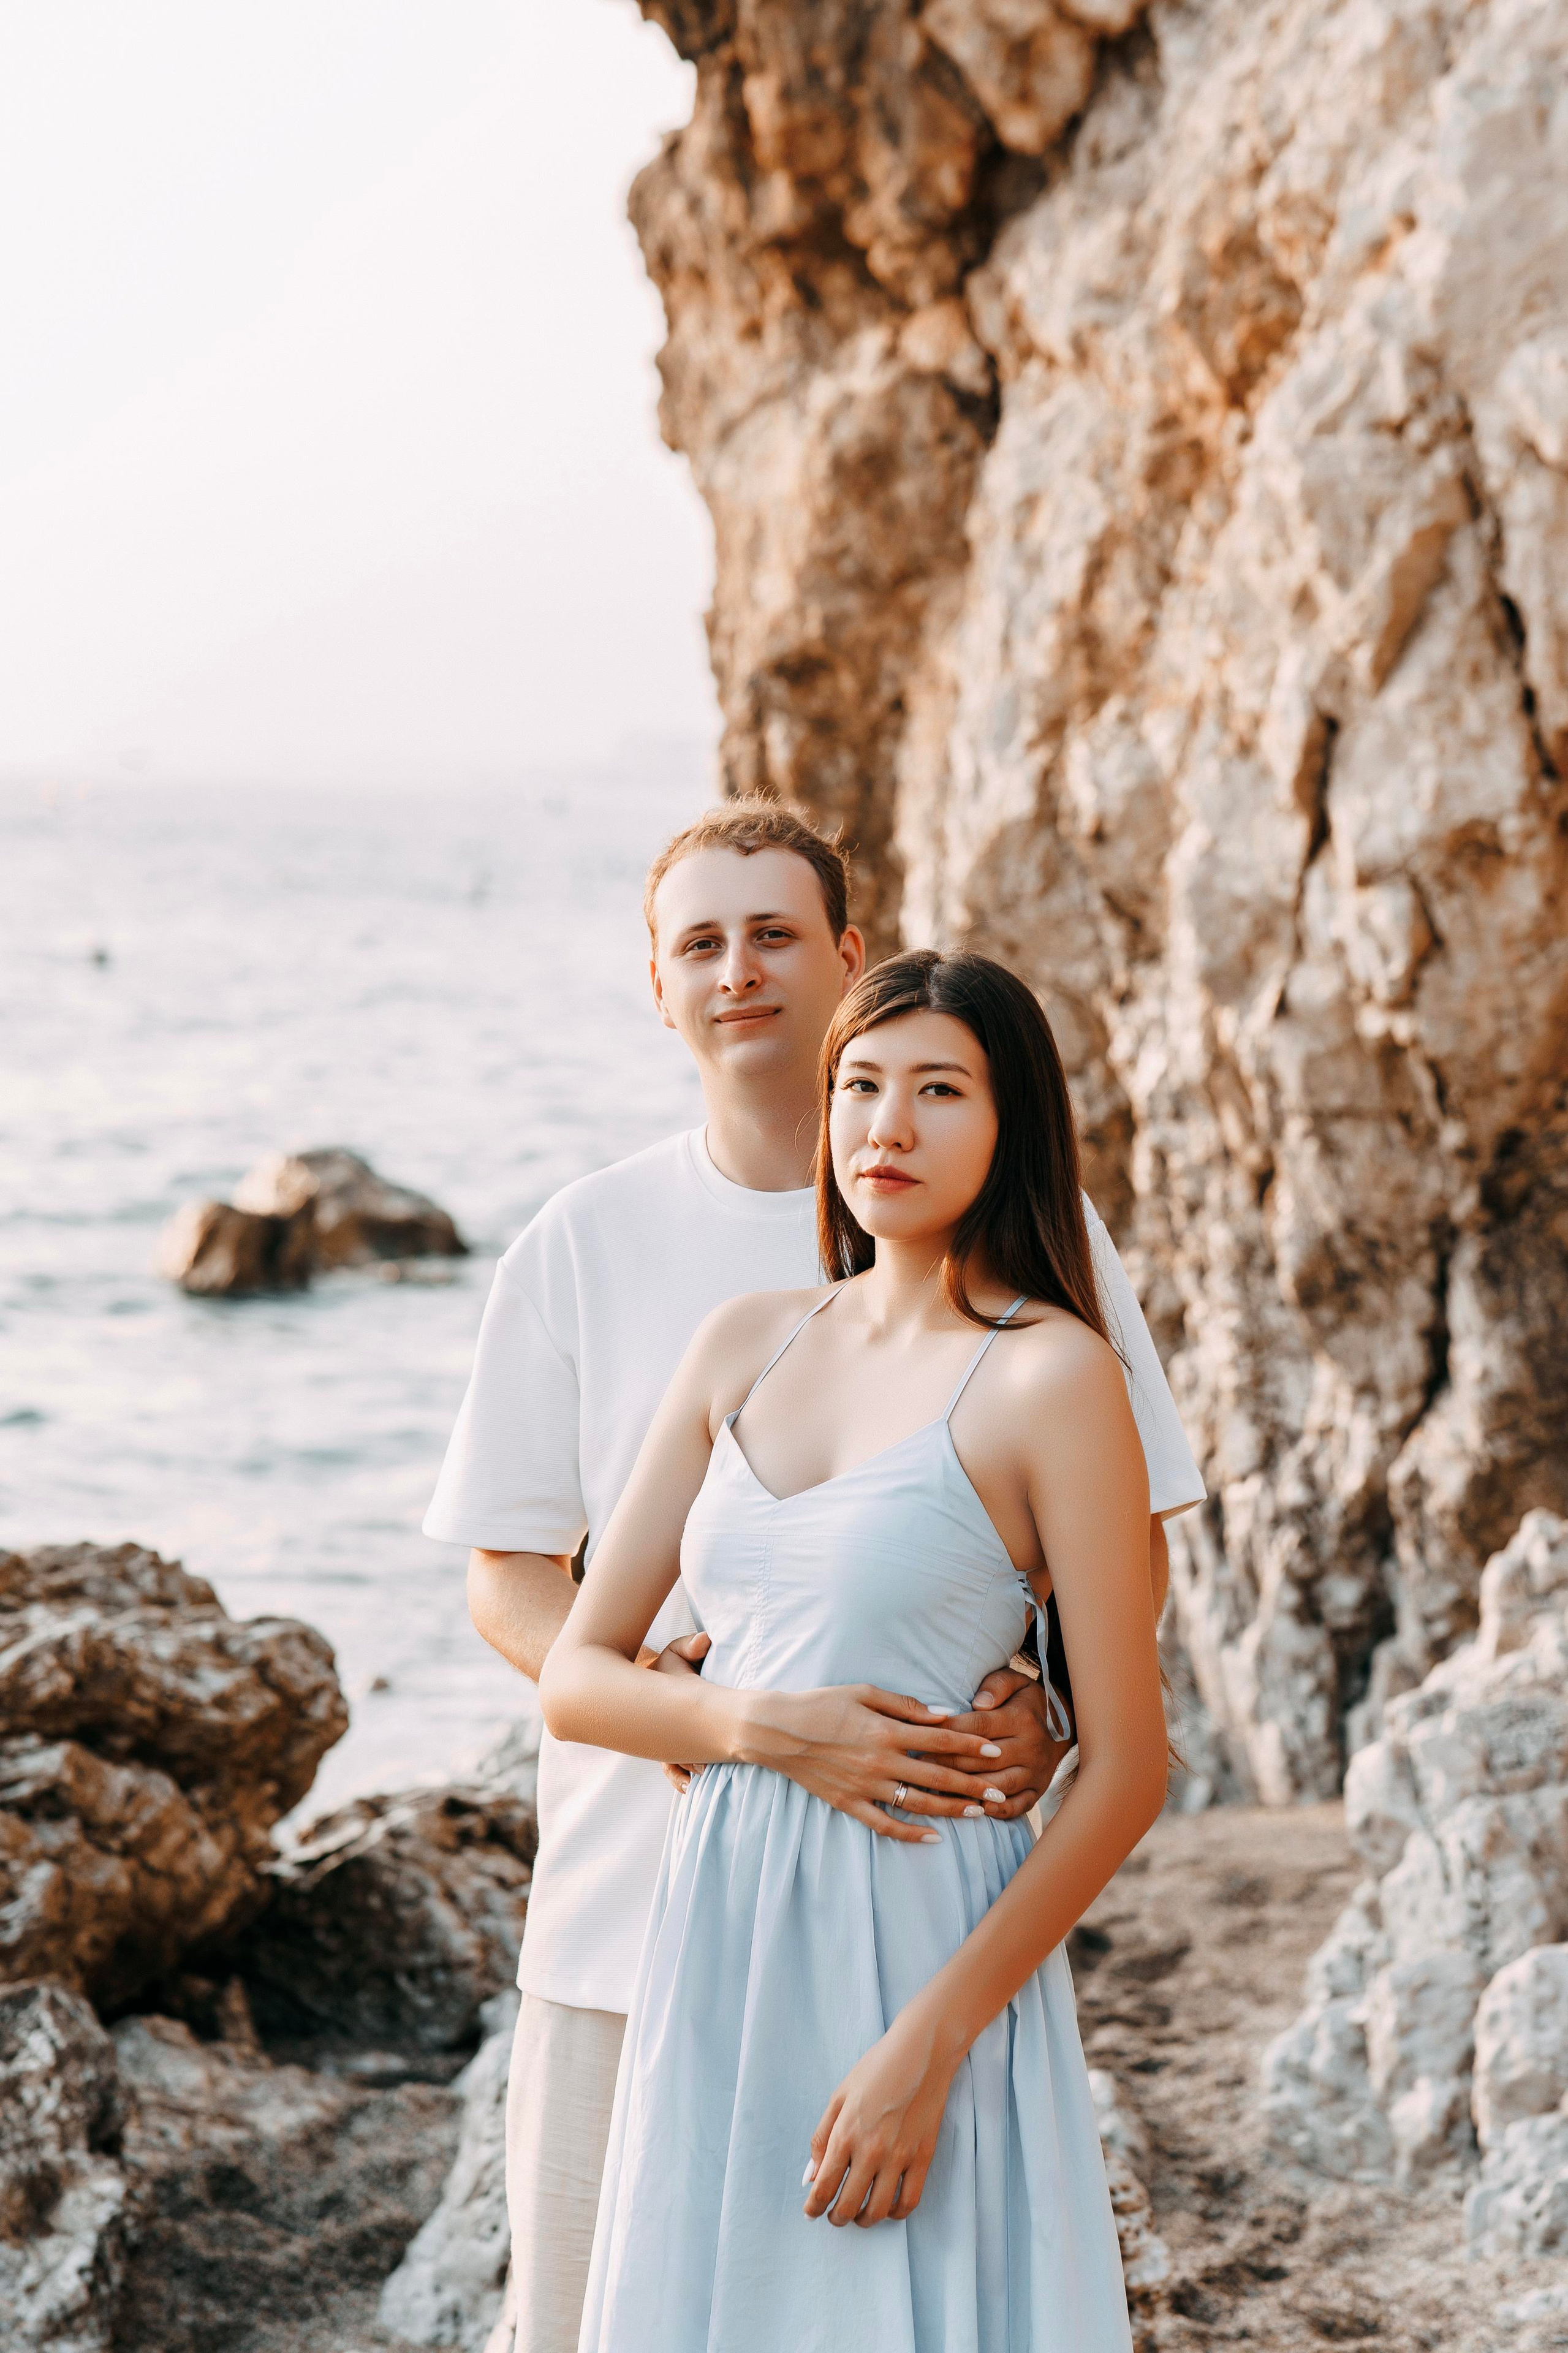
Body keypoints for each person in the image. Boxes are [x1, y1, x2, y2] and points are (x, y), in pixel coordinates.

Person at [423, 804, 1203, 2353]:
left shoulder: (1052, 1351)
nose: (886, 1127)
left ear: (841, 958)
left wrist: (1032, 1703)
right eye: (698, 943)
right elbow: (546, 1622)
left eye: (773, 934)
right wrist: (756, 1724)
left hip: (910, 1913)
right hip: (649, 1913)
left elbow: (1118, 1664)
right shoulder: (635, 1273)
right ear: (656, 980)